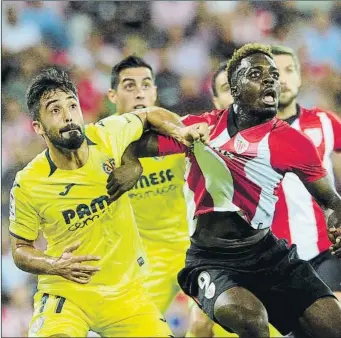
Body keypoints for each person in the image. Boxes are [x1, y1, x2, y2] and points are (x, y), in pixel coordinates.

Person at [116, 43, 341, 338]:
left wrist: (336, 219)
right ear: (234, 87)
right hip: (211, 259)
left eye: (273, 74)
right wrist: (132, 161)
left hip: (269, 253)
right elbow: (140, 140)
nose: (270, 79)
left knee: (332, 325)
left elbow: (331, 200)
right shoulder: (202, 129)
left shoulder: (293, 143)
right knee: (251, 319)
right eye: (256, 74)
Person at [8, 67, 206, 337]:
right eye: (55, 110)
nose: (68, 116)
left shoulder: (106, 134)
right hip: (68, 295)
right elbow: (20, 249)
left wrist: (179, 131)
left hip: (126, 295)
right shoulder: (28, 182)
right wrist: (54, 264)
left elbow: (149, 115)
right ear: (38, 127)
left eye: (72, 106)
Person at [106, 56, 191, 321]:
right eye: (129, 86)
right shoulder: (103, 142)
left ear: (154, 92)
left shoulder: (178, 131)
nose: (139, 92)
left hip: (193, 248)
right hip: (144, 257)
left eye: (146, 85)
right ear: (112, 95)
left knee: (219, 323)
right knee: (134, 327)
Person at [270, 45, 341, 302]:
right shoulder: (245, 134)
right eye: (274, 73)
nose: (283, 79)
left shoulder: (324, 122)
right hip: (273, 258)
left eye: (289, 70)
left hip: (326, 248)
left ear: (300, 77)